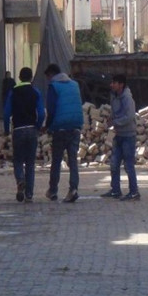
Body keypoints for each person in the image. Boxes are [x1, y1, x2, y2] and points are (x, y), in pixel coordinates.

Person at [43, 64, 84, 203]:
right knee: (73, 161)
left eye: (48, 77)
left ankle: (53, 191)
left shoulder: (53, 87)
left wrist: (47, 126)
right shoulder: (75, 85)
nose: (48, 80)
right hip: (75, 126)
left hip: (60, 128)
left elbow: (51, 110)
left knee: (56, 161)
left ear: (51, 74)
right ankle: (73, 189)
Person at [4, 67, 45, 203]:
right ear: (31, 78)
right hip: (32, 129)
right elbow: (41, 112)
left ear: (20, 78)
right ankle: (29, 194)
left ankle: (20, 180)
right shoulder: (35, 92)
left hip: (18, 130)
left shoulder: (13, 92)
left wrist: (6, 129)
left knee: (17, 160)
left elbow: (6, 113)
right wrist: (38, 126)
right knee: (30, 163)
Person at [101, 74, 140, 201]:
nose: (112, 85)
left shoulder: (127, 98)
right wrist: (111, 118)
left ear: (121, 84)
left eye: (114, 83)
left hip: (128, 135)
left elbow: (129, 116)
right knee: (114, 163)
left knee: (128, 165)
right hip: (119, 134)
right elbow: (115, 111)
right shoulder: (114, 96)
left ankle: (134, 192)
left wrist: (115, 123)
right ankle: (115, 190)